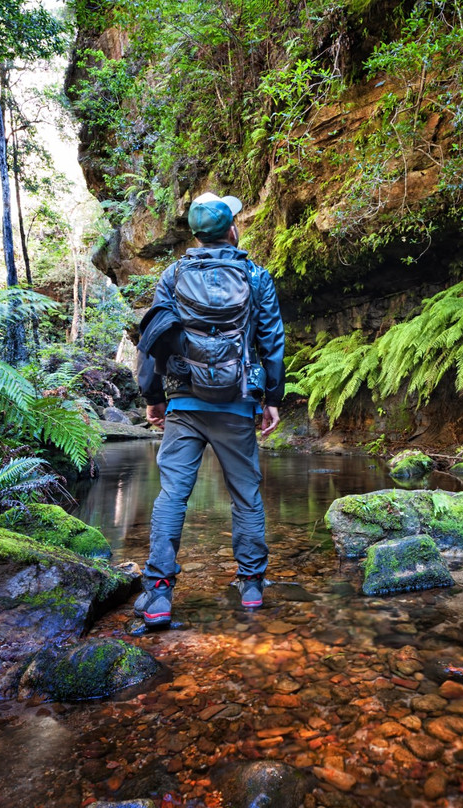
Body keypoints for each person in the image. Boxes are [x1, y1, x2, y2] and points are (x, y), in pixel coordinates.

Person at [134, 191, 285, 629]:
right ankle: (252, 585)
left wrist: (153, 398)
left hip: (184, 400)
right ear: (231, 229)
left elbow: (152, 338)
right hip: (237, 403)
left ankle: (158, 593)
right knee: (246, 494)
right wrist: (271, 399)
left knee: (173, 495)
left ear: (197, 234)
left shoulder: (173, 274)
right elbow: (271, 342)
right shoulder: (256, 276)